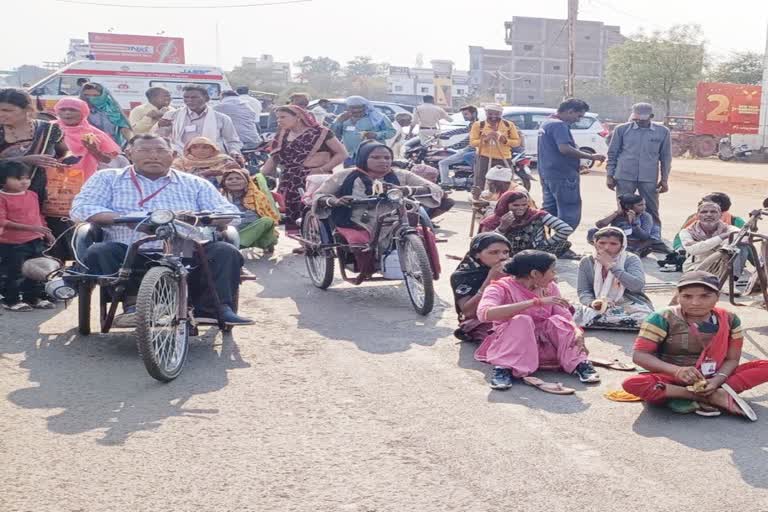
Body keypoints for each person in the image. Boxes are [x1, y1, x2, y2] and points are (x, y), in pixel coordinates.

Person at [69, 134, 253, 326]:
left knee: (225, 251)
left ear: (173, 155)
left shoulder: (194, 183)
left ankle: (215, 310)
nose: (153, 156)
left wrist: (199, 217)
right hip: (129, 251)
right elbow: (83, 208)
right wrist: (124, 219)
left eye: (160, 151)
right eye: (144, 150)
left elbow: (230, 213)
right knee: (100, 251)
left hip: (187, 249)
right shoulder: (107, 178)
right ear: (129, 154)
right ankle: (133, 305)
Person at [623, 270, 767, 420]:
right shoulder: (662, 318)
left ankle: (700, 394)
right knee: (633, 383)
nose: (695, 303)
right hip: (672, 377)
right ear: (678, 296)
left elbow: (732, 359)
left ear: (717, 297)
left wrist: (717, 380)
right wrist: (678, 371)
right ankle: (709, 396)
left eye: (705, 296)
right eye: (687, 296)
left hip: (716, 377)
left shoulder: (730, 319)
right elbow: (640, 355)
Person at [312, 141, 442, 280]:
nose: (383, 161)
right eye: (375, 157)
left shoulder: (401, 175)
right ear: (363, 158)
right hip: (356, 221)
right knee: (359, 241)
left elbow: (434, 189)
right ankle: (367, 269)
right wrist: (335, 201)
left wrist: (407, 189)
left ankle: (429, 272)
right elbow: (320, 195)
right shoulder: (344, 175)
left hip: (394, 220)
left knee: (425, 234)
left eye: (387, 158)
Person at [475, 250, 600, 391]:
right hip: (512, 343)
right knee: (522, 320)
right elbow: (484, 314)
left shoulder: (550, 287)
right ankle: (504, 369)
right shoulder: (499, 287)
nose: (554, 276)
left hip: (544, 343)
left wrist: (577, 331)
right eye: (552, 271)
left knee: (558, 321)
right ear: (535, 274)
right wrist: (534, 302)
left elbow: (564, 315)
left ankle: (580, 363)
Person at [262, 105, 347, 233]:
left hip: (314, 179)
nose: (279, 120)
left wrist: (323, 169)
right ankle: (304, 243)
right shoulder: (282, 135)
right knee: (293, 210)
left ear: (298, 117)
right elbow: (274, 158)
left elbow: (342, 153)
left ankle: (318, 239)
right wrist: (259, 177)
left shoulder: (320, 132)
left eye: (283, 117)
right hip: (290, 179)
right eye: (278, 118)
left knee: (314, 210)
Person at [537, 98, 606, 230]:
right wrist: (591, 156)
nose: (578, 120)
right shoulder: (559, 125)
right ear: (570, 111)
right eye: (578, 116)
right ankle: (560, 243)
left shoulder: (547, 123)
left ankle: (545, 242)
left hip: (548, 173)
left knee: (549, 211)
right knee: (569, 213)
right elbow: (564, 149)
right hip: (563, 175)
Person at [0, 161, 56, 311]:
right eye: (18, 178)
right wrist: (31, 228)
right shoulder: (2, 198)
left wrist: (46, 232)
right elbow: (3, 221)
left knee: (36, 270)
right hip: (12, 242)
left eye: (26, 178)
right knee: (14, 273)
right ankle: (11, 300)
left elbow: (38, 215)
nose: (24, 181)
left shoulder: (32, 195)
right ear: (3, 179)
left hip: (35, 239)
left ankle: (33, 298)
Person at [0, 88, 69, 207]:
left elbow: (64, 153)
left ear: (27, 109)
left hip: (41, 195)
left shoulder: (49, 129)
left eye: (7, 110)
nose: (1, 114)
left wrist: (59, 163)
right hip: (4, 198)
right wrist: (24, 160)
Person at [574, 227, 654, 329]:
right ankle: (611, 320)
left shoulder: (631, 259)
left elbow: (637, 286)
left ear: (622, 246)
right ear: (595, 244)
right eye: (602, 243)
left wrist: (612, 266)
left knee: (644, 318)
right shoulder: (587, 261)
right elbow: (583, 291)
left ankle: (607, 320)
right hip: (599, 303)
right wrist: (593, 303)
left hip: (628, 302)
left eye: (613, 244)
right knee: (572, 312)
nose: (606, 247)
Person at [606, 103, 672, 226]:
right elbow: (612, 154)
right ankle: (624, 236)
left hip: (648, 178)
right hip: (624, 176)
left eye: (642, 119)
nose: (639, 122)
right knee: (624, 209)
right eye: (636, 119)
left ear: (651, 116)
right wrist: (609, 175)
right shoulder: (621, 130)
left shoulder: (663, 132)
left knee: (651, 209)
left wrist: (664, 180)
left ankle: (654, 237)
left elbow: (666, 158)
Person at [451, 232, 511, 343]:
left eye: (506, 252)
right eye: (494, 252)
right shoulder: (462, 276)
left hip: (511, 313)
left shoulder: (511, 269)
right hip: (480, 319)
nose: (503, 257)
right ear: (477, 254)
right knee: (501, 338)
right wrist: (490, 279)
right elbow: (468, 312)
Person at [479, 190, 576, 259]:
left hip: (532, 253)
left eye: (524, 205)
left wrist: (544, 244)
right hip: (504, 256)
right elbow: (482, 244)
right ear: (505, 205)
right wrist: (502, 228)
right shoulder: (492, 221)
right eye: (515, 205)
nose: (521, 208)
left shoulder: (536, 215)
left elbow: (565, 229)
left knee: (564, 244)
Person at [156, 84, 243, 157]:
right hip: (181, 159)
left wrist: (234, 152)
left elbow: (232, 141)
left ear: (206, 99)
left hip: (212, 160)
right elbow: (161, 138)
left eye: (194, 97)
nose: (189, 100)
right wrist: (161, 127)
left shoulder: (222, 118)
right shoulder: (172, 115)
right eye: (186, 97)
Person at [677, 200, 747, 276]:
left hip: (722, 269)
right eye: (704, 212)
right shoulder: (686, 232)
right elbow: (693, 250)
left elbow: (742, 237)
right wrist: (721, 237)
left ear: (720, 215)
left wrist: (700, 244)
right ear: (697, 215)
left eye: (713, 212)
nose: (709, 215)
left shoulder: (729, 229)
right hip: (695, 267)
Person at [589, 193, 670, 256]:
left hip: (637, 243)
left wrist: (634, 223)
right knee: (592, 232)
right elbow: (599, 225)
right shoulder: (618, 214)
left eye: (644, 204)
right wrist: (616, 213)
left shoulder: (646, 216)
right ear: (629, 206)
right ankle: (613, 250)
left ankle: (635, 251)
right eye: (640, 205)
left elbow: (645, 236)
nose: (644, 207)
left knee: (654, 233)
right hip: (617, 242)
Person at [220, 168, 279, 253]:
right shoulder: (220, 197)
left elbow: (264, 214)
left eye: (238, 178)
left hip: (254, 227)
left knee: (267, 220)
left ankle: (234, 245)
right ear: (224, 183)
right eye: (230, 179)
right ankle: (233, 244)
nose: (234, 181)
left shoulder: (257, 196)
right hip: (230, 227)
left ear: (247, 182)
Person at [469, 104, 520, 196]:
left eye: (496, 114)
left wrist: (505, 141)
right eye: (490, 114)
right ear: (486, 113)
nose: (493, 116)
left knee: (506, 182)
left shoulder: (508, 125)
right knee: (481, 182)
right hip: (484, 158)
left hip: (504, 157)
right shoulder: (478, 125)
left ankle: (503, 201)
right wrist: (485, 139)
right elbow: (472, 143)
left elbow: (516, 142)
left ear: (501, 114)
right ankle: (479, 204)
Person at [331, 96, 395, 165]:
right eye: (352, 108)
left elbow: (391, 132)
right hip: (350, 156)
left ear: (365, 107)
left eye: (359, 107)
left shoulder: (378, 117)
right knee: (351, 174)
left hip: (372, 156)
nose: (356, 110)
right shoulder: (342, 117)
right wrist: (338, 122)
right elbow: (333, 135)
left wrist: (376, 135)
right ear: (348, 107)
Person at [672, 192, 745, 252]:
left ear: (718, 204)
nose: (700, 202)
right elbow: (680, 239)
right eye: (704, 212)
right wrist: (680, 249)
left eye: (704, 200)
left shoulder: (735, 221)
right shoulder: (693, 218)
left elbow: (744, 239)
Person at [437, 105, 478, 187]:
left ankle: (446, 182)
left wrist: (451, 146)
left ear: (474, 114)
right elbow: (461, 130)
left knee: (442, 163)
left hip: (470, 150)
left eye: (466, 114)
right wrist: (444, 134)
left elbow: (466, 141)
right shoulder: (472, 124)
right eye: (463, 115)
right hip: (470, 149)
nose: (464, 117)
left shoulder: (476, 125)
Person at [172, 137, 240, 186]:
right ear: (189, 150)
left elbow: (239, 178)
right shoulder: (180, 162)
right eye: (195, 147)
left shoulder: (224, 160)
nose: (200, 150)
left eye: (205, 147)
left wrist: (237, 169)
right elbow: (175, 179)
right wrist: (202, 174)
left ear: (213, 149)